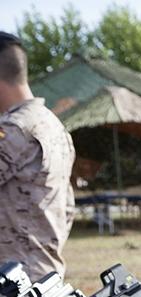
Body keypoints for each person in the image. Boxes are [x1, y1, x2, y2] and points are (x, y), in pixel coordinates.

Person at [0, 32, 75, 283]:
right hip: (42, 279)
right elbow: (67, 209)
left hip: (12, 290)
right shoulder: (54, 126)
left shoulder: (13, 129)